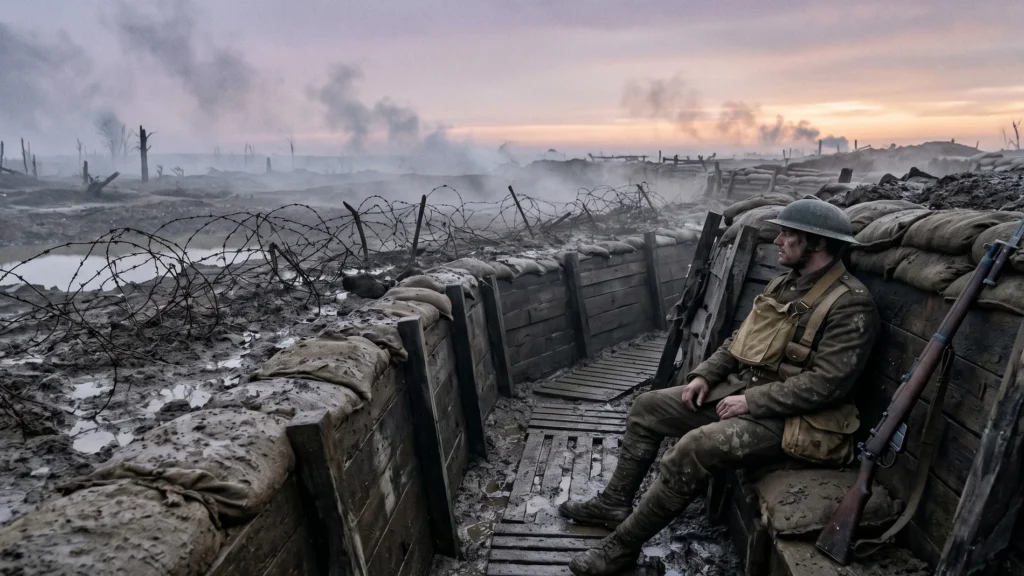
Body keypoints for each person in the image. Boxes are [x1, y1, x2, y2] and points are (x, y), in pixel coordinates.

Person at [560, 198, 881, 575]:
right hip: (745, 393)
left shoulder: (850, 305)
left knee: (693, 448)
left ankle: (620, 548)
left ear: (817, 243)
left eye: (788, 234)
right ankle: (614, 502)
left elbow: (829, 385)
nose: (778, 239)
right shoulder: (784, 284)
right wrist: (704, 376)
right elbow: (738, 341)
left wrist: (751, 401)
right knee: (648, 407)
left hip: (797, 420)